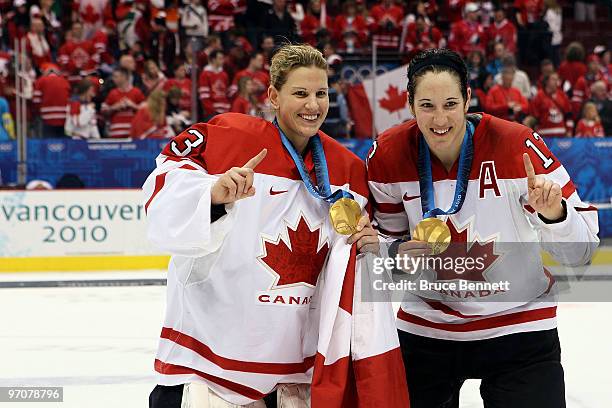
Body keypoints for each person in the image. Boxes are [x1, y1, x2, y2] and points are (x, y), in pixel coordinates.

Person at [144, 44, 408, 408]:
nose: (312, 105)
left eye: (321, 94)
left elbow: (358, 267)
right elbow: (163, 191)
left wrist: (369, 244)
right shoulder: (225, 139)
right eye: (300, 93)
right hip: (207, 369)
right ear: (273, 96)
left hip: (291, 381)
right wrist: (212, 195)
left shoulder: (347, 170)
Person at [367, 48, 599, 408]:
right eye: (426, 105)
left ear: (468, 100)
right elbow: (383, 245)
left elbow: (582, 252)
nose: (439, 118)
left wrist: (556, 214)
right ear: (410, 104)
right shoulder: (388, 154)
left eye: (450, 103)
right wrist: (394, 253)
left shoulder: (517, 146)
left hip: (520, 326)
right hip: (428, 329)